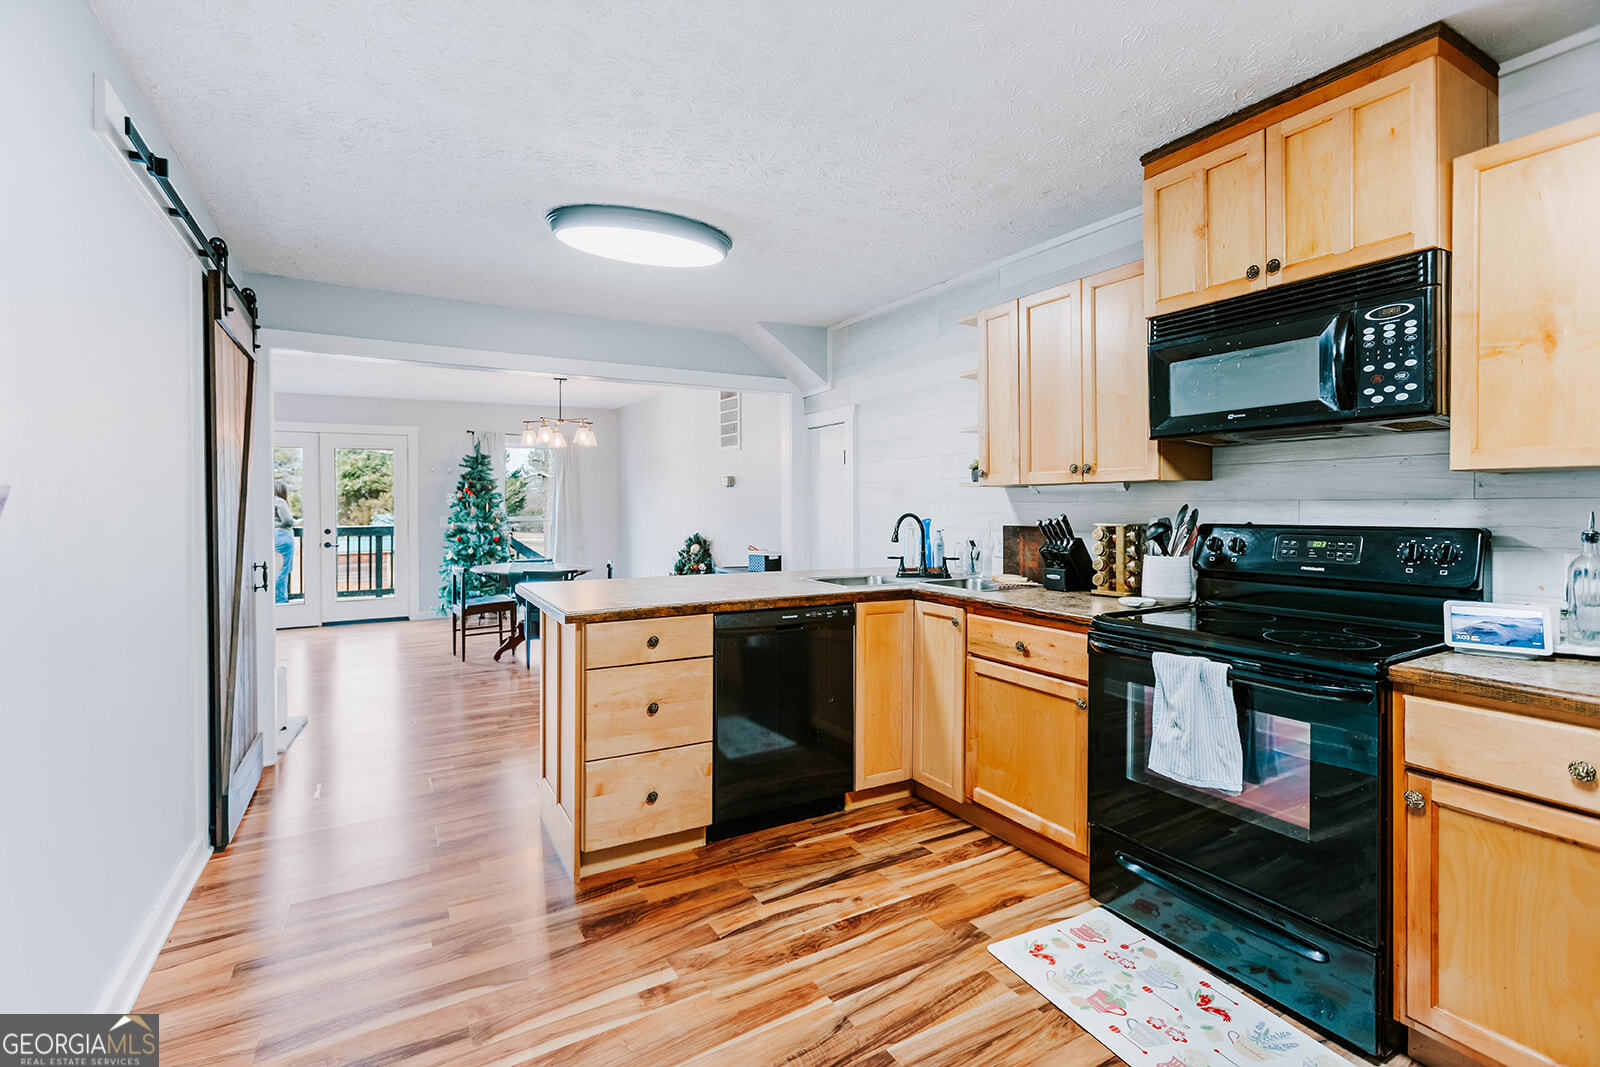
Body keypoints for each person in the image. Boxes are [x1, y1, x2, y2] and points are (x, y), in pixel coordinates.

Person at [273, 480, 296, 603]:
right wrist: (295, 522)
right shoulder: (279, 501)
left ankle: (272, 600)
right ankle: (280, 601)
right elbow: (287, 521)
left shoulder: (267, 501)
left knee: (275, 568)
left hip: (273, 536)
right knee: (283, 569)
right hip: (283, 537)